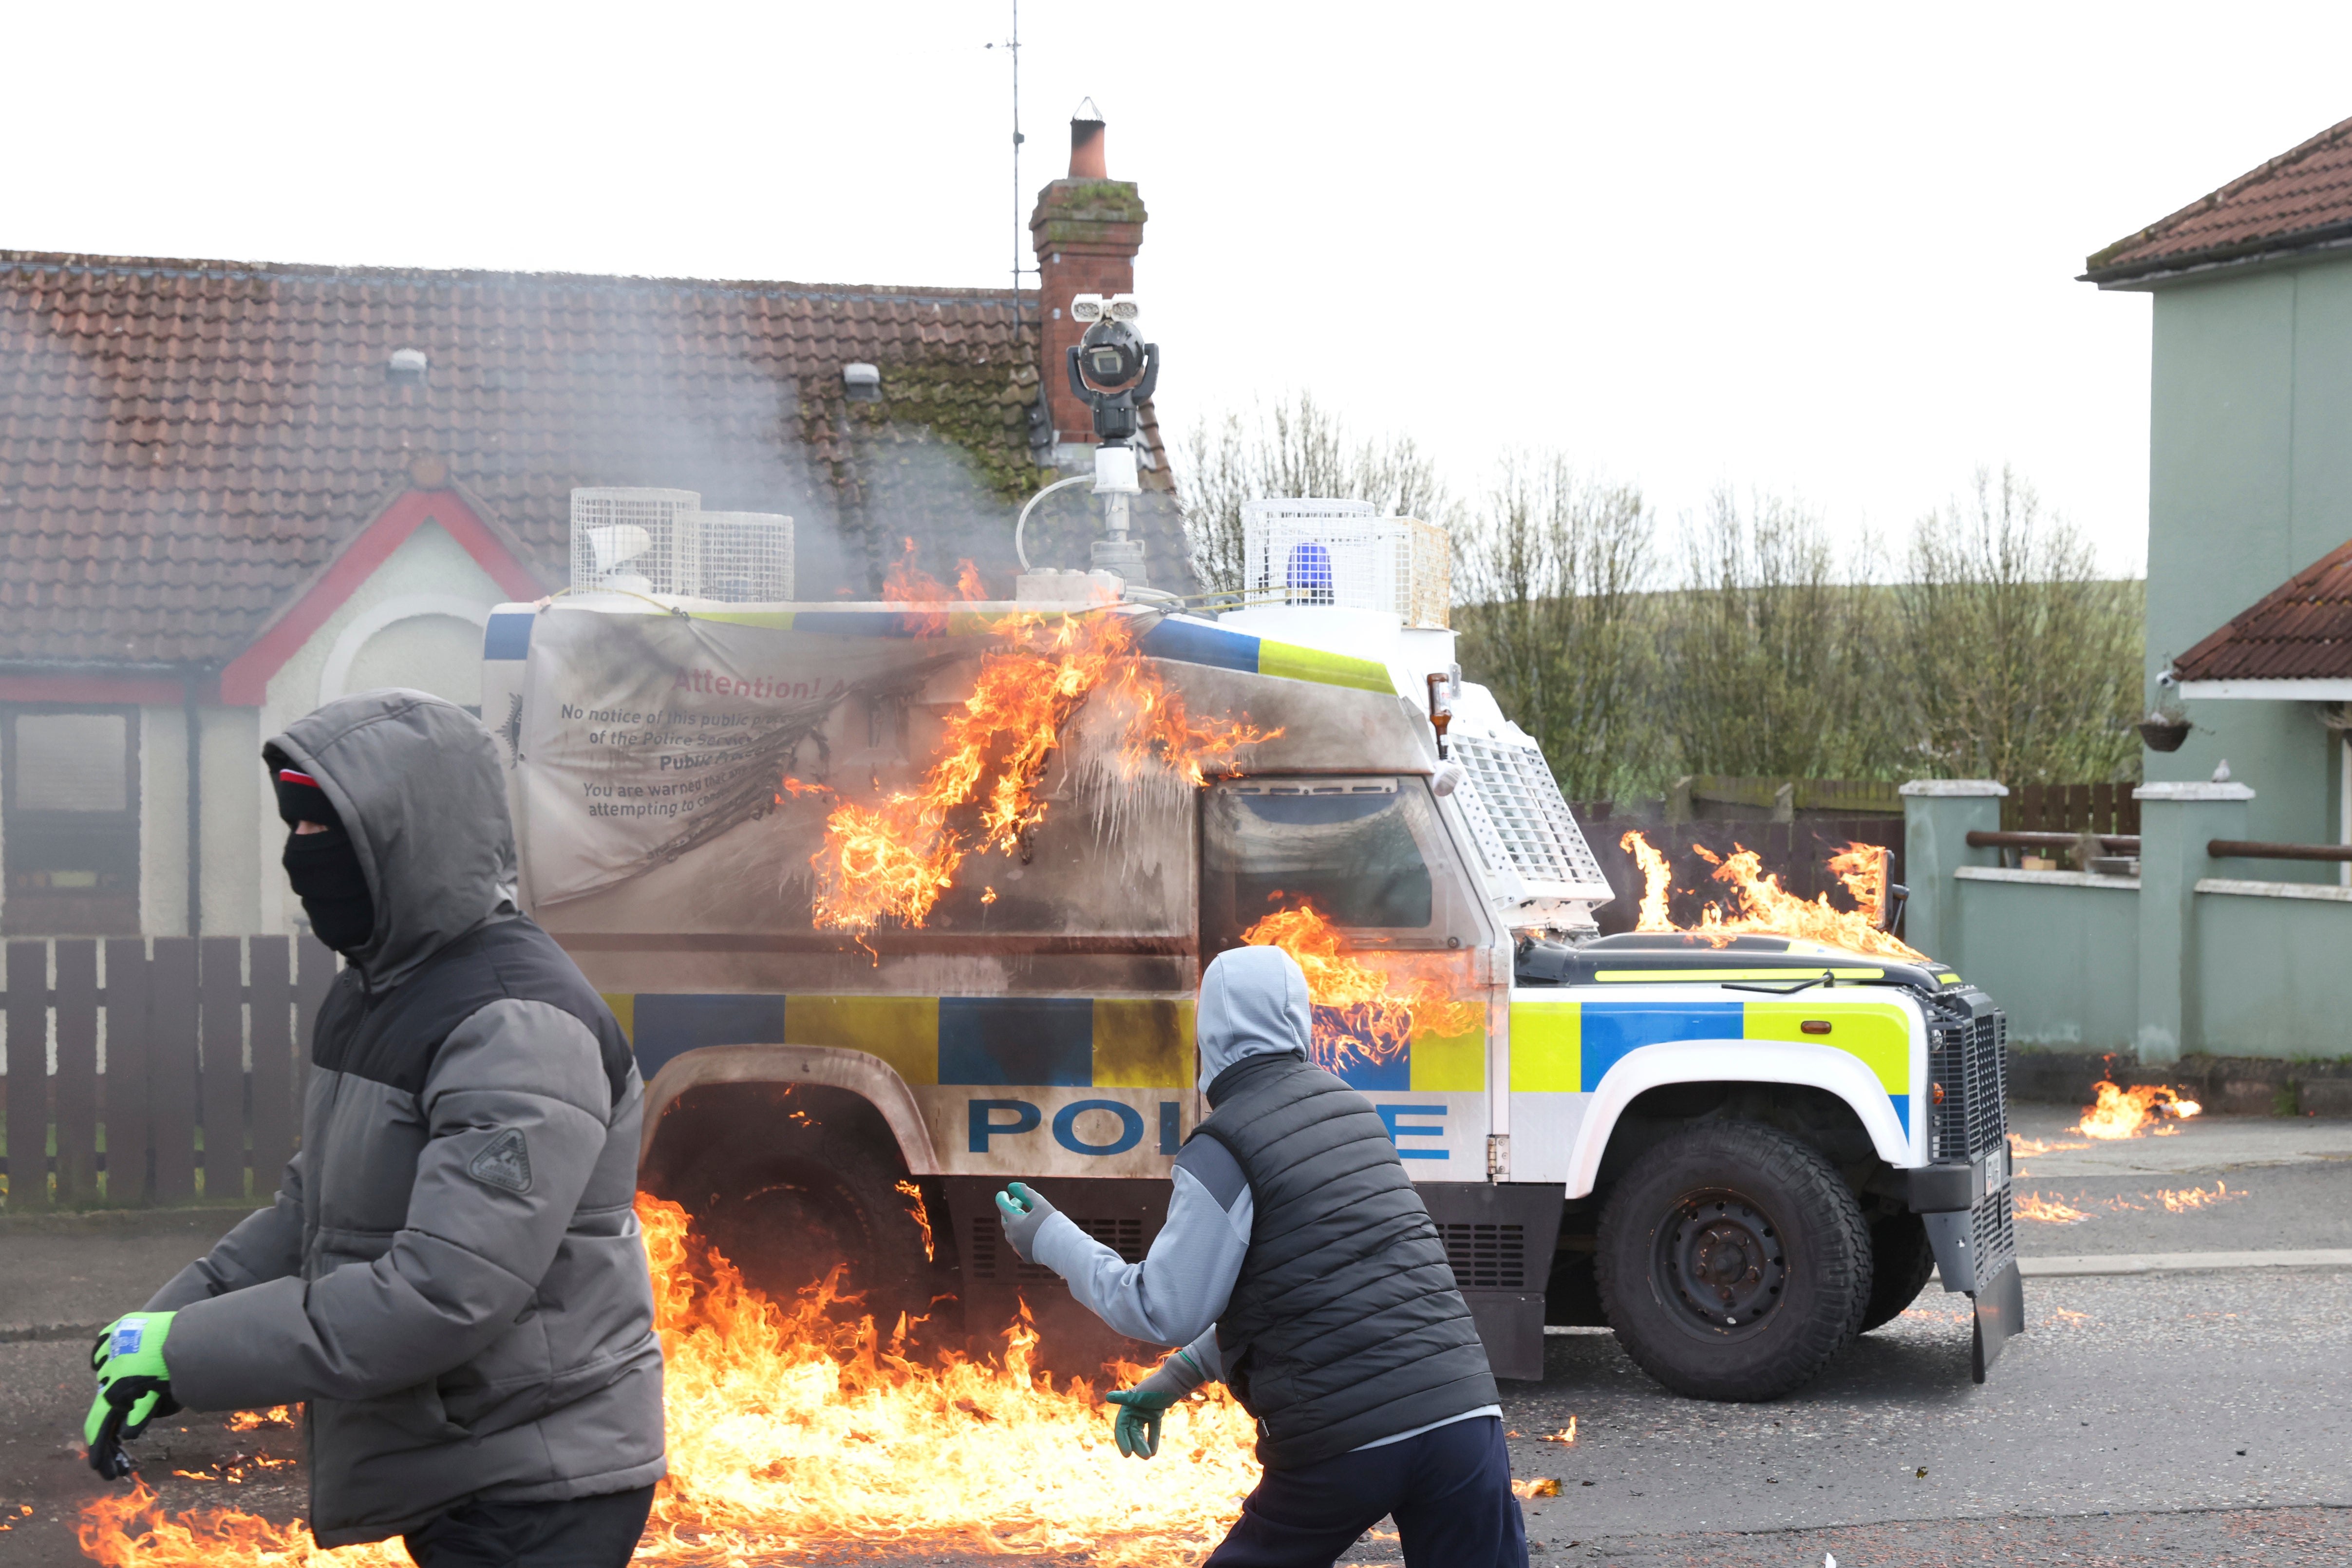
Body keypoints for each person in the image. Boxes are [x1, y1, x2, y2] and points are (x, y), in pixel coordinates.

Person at [82, 690, 666, 1567]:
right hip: (462, 1459)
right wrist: (162, 1327)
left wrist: (187, 1355)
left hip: (539, 1483)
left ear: (408, 838)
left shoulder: (514, 1023)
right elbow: (309, 1211)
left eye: (328, 833)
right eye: (298, 828)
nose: (298, 858)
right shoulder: (381, 990)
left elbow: (441, 1292)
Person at [996, 945, 1527, 1568]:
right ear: (1298, 1022)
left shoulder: (1225, 1145)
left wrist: (1047, 1236)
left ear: (1208, 1037)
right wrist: (1173, 1382)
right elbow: (1306, 1300)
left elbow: (1161, 1307)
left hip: (1345, 1437)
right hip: (1463, 1419)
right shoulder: (1354, 1115)